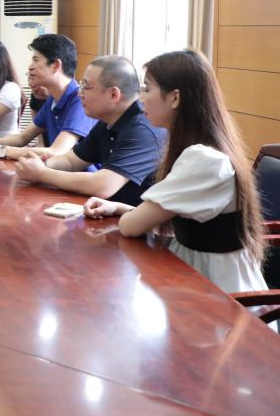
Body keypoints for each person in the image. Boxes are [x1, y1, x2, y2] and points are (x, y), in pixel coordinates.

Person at [83, 50, 266, 293]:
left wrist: (128, 215)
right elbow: (173, 221)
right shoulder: (199, 149)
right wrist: (118, 208)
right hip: (192, 278)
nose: (141, 98)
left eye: (147, 89)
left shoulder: (203, 159)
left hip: (220, 295)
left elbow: (130, 227)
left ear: (175, 97)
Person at [14, 55, 166, 206]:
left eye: (86, 87)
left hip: (136, 219)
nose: (80, 93)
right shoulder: (108, 121)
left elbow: (104, 185)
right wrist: (39, 165)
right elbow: (71, 161)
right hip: (106, 211)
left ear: (113, 94)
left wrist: (42, 173)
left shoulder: (142, 129)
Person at [0, 34, 96, 161]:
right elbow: (22, 138)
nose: (30, 67)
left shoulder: (79, 100)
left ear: (56, 65)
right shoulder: (52, 100)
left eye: (36, 60)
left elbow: (57, 151)